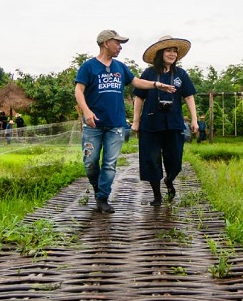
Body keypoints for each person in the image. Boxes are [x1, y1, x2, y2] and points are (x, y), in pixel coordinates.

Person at [75, 29, 176, 214]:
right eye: (117, 43)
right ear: (106, 43)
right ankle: (98, 188)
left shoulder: (120, 67)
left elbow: (137, 82)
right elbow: (78, 91)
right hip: (92, 125)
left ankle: (103, 198)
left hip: (116, 125)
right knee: (90, 162)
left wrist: (155, 84)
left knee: (109, 164)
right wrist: (87, 111)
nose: (120, 47)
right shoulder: (88, 67)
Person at [132, 35, 198, 206]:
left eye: (175, 51)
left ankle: (169, 179)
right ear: (160, 53)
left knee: (175, 158)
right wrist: (136, 121)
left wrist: (194, 120)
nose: (172, 54)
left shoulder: (180, 74)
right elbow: (138, 98)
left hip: (174, 122)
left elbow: (189, 97)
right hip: (151, 123)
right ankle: (157, 195)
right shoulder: (148, 73)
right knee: (151, 159)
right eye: (168, 50)